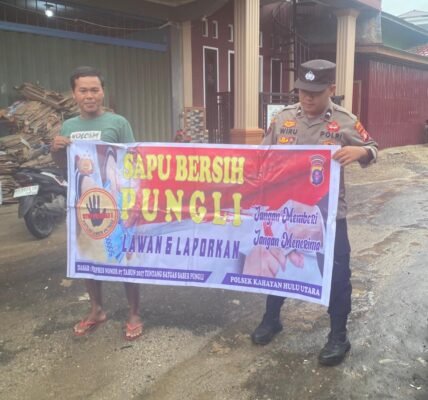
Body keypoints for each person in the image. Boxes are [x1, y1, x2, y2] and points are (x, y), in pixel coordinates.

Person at [251, 59, 378, 366]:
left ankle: (338, 336)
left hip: (328, 216)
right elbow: (262, 155)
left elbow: (373, 148)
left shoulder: (344, 120)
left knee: (336, 274)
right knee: (277, 264)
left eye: (315, 92)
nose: (307, 97)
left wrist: (360, 151)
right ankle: (271, 319)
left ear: (331, 89)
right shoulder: (283, 118)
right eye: (302, 91)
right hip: (285, 213)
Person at [51, 66, 143, 341]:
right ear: (74, 94)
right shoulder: (69, 126)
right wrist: (56, 151)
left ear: (103, 92)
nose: (89, 95)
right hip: (84, 203)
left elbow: (133, 160)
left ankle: (134, 313)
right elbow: (64, 167)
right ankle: (97, 310)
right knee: (87, 256)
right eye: (83, 90)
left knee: (125, 256)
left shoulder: (118, 123)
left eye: (95, 90)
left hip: (117, 202)